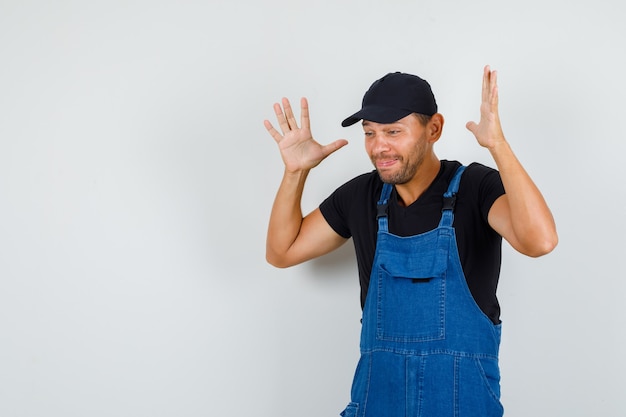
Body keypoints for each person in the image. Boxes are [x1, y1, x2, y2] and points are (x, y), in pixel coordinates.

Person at [263, 66, 557, 417]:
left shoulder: (477, 187)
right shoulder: (362, 195)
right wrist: (296, 172)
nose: (378, 146)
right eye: (369, 133)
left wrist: (498, 146)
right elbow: (282, 251)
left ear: (433, 129)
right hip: (376, 405)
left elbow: (539, 241)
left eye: (393, 131)